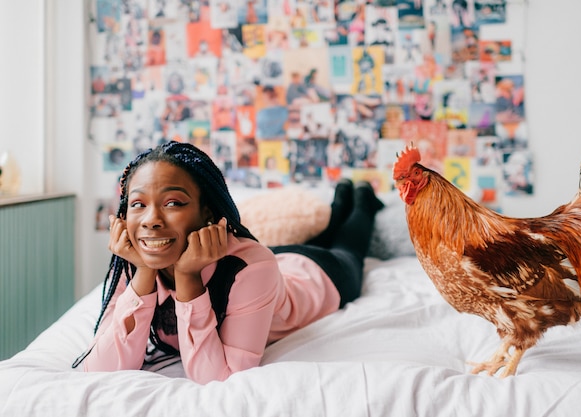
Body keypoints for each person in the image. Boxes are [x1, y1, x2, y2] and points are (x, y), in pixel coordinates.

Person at [73, 141, 384, 384]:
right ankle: (340, 195)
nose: (151, 220)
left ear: (207, 213)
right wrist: (143, 272)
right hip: (275, 262)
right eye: (138, 204)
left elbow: (219, 378)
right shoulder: (135, 261)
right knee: (326, 232)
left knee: (347, 247)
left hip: (318, 276)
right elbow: (101, 369)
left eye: (173, 203)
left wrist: (188, 277)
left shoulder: (251, 266)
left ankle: (360, 196)